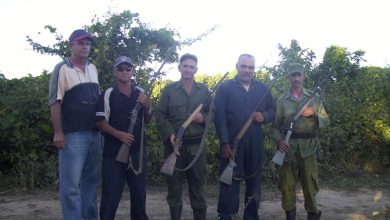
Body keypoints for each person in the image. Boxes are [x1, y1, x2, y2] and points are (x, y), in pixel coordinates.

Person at [48, 29, 101, 220]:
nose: (85, 46)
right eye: (81, 43)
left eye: (88, 43)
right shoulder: (62, 68)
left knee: (91, 183)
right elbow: (55, 101)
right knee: (71, 187)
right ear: (71, 45)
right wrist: (58, 133)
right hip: (73, 135)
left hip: (95, 135)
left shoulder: (93, 69)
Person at [214, 54, 275, 220]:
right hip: (232, 143)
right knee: (229, 182)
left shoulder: (263, 88)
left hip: (255, 143)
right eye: (244, 66)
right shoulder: (225, 88)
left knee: (254, 183)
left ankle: (251, 216)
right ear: (237, 66)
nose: (247, 70)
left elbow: (272, 110)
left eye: (251, 67)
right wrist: (225, 143)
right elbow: (219, 117)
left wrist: (265, 116)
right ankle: (226, 215)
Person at [95, 56, 152, 220]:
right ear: (115, 72)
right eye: (121, 69)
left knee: (139, 196)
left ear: (132, 71)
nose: (124, 72)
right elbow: (100, 122)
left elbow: (147, 120)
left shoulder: (141, 92)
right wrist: (119, 135)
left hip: (137, 153)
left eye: (128, 69)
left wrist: (147, 106)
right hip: (113, 153)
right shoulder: (108, 93)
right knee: (110, 196)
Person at [270, 63, 329, 220]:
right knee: (287, 187)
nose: (296, 78)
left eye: (298, 75)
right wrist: (279, 141)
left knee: (310, 187)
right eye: (293, 75)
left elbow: (326, 121)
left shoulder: (314, 98)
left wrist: (315, 115)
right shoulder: (282, 101)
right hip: (288, 150)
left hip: (309, 148)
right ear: (289, 77)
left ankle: (313, 214)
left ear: (304, 76)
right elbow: (274, 127)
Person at [155, 53, 211, 220]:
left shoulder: (204, 91)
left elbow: (212, 113)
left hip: (197, 148)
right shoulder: (169, 91)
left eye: (191, 66)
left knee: (198, 188)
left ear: (196, 69)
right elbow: (160, 115)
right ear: (179, 68)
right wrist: (169, 134)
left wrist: (203, 118)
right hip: (174, 146)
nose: (188, 69)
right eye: (185, 66)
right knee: (174, 189)